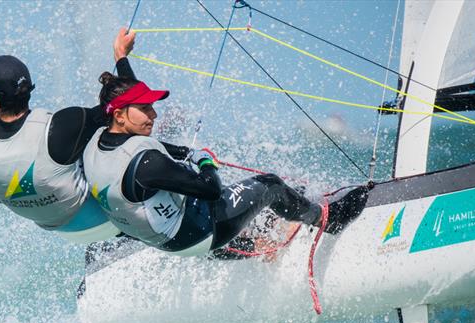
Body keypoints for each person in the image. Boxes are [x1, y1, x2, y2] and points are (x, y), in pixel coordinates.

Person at [82, 74, 369, 255]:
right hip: (199, 233)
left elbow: (139, 143)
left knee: (201, 203)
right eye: (145, 109)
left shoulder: (96, 141)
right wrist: (205, 161)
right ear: (120, 115)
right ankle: (327, 220)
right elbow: (210, 190)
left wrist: (121, 59)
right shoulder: (148, 164)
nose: (154, 114)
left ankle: (252, 242)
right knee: (269, 185)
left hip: (161, 239)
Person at [0, 28, 139, 244]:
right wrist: (121, 55)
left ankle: (104, 250)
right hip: (111, 220)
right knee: (112, 136)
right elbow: (131, 105)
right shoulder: (59, 126)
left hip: (67, 233)